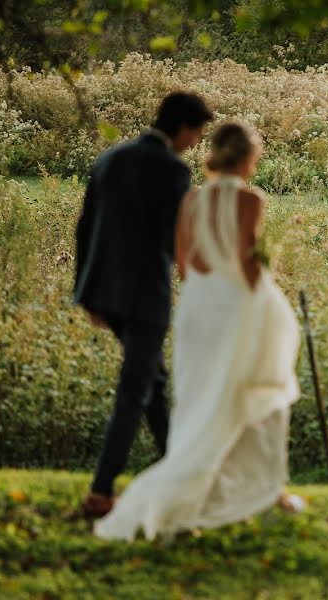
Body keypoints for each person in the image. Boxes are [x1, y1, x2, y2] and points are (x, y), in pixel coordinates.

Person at [94, 121, 304, 541]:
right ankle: (264, 487)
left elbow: (186, 264)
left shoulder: (190, 199)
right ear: (247, 157)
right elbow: (247, 269)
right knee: (247, 396)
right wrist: (270, 264)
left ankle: (201, 487)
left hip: (197, 310)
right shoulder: (250, 199)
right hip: (235, 310)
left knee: (200, 403)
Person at [74, 92, 213, 517]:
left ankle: (177, 466)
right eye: (197, 133)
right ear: (184, 128)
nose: (196, 142)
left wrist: (87, 293)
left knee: (151, 382)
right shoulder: (173, 169)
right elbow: (173, 239)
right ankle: (100, 491)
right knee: (135, 390)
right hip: (144, 296)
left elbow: (85, 228)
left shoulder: (110, 159)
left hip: (104, 292)